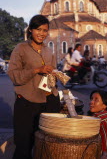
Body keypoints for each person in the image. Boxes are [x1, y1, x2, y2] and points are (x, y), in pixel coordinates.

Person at [8, 15, 61, 159]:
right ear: (30, 30)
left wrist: (55, 75)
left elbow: (53, 72)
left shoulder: (48, 51)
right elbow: (13, 75)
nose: (42, 33)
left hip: (48, 101)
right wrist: (37, 70)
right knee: (23, 145)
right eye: (38, 29)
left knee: (44, 144)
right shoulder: (21, 49)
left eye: (45, 30)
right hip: (26, 102)